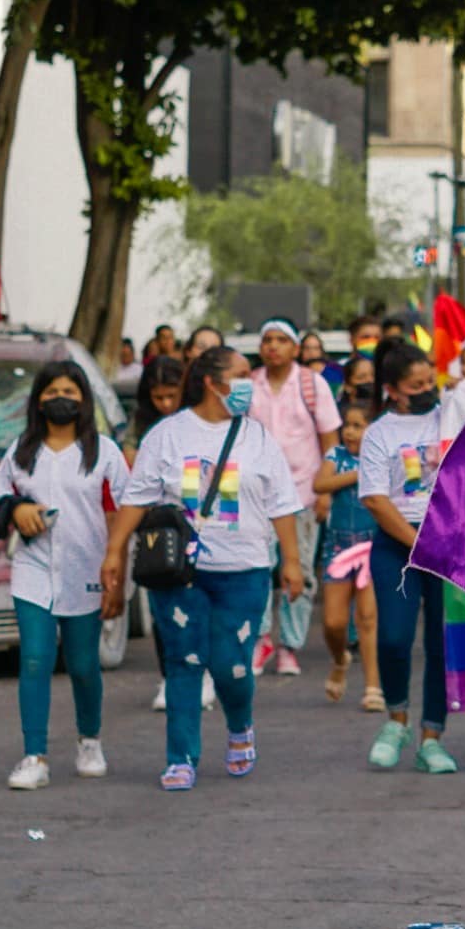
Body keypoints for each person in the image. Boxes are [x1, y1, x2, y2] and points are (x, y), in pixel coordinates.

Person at [103, 345, 304, 791]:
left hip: (245, 568)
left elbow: (283, 503)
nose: (248, 382)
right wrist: (115, 551)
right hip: (180, 572)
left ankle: (240, 725)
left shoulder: (258, 437)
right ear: (213, 383)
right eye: (240, 374)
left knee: (232, 665)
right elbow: (137, 498)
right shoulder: (167, 435)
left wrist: (291, 561)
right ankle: (181, 757)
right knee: (184, 659)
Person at [0, 361, 130, 790]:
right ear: (38, 401)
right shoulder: (21, 450)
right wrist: (19, 510)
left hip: (86, 569)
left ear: (84, 400)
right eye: (50, 393)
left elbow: (122, 512)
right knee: (34, 658)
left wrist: (117, 570)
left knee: (84, 664)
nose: (59, 399)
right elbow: (0, 500)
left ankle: (90, 740)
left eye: (69, 391)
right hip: (33, 569)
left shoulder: (103, 451)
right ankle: (35, 756)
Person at [359, 339, 455, 774]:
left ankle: (432, 737)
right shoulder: (379, 433)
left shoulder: (448, 415)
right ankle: (396, 720)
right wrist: (419, 545)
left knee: (441, 643)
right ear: (394, 390)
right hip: (398, 544)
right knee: (395, 637)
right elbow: (376, 500)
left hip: (448, 542)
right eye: (415, 385)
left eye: (428, 380)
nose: (426, 389)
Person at [247, 318, 341, 677]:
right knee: (257, 568)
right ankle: (260, 639)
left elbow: (330, 442)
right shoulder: (249, 386)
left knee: (299, 569)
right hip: (256, 495)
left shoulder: (312, 385)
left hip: (301, 492)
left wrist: (326, 492)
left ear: (295, 348)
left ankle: (289, 645)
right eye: (267, 340)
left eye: (281, 340)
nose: (273, 346)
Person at [124, 356, 214, 713]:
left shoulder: (202, 422)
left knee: (202, 601)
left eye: (171, 395)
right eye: (157, 397)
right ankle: (169, 675)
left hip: (202, 520)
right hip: (157, 524)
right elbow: (132, 464)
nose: (164, 404)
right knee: (164, 601)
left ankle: (204, 672)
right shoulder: (143, 425)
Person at [313, 401, 383, 710]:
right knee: (333, 622)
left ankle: (372, 687)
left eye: (358, 425)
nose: (350, 432)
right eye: (347, 425)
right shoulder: (336, 457)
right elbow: (320, 483)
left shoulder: (381, 459)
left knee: (368, 618)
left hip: (372, 545)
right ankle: (340, 658)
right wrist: (357, 474)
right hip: (339, 547)